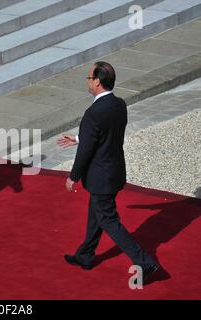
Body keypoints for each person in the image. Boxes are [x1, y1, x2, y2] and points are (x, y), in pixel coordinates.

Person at [58, 61, 159, 283]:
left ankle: (144, 262)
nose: (87, 81)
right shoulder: (119, 104)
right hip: (114, 171)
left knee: (108, 219)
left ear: (97, 81)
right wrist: (77, 138)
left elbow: (88, 149)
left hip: (100, 176)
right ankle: (85, 255)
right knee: (97, 214)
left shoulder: (93, 112)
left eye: (89, 78)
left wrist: (73, 176)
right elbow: (104, 135)